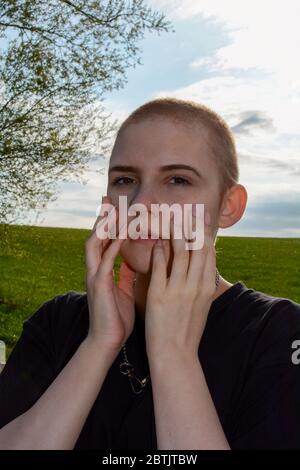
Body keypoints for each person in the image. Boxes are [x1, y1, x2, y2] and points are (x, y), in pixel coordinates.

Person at [0, 97, 300, 450]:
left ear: (228, 206)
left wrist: (174, 353)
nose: (142, 204)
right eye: (125, 179)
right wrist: (98, 345)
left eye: (177, 179)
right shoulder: (58, 322)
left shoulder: (278, 332)